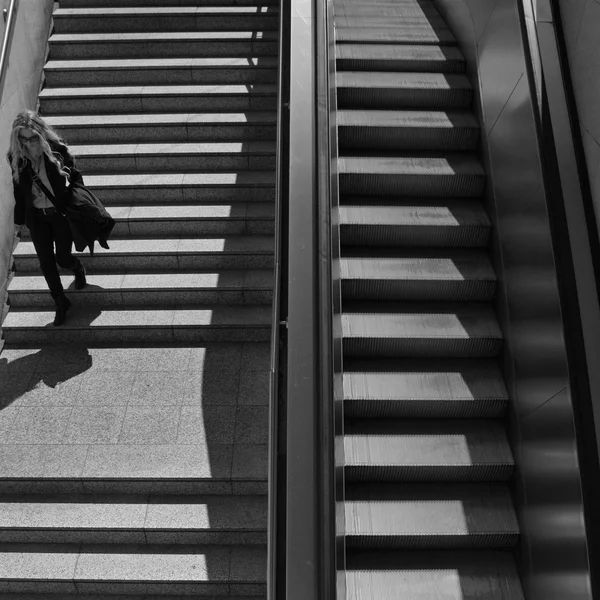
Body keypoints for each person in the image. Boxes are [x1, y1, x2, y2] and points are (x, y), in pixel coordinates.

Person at [8, 110, 86, 326]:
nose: (28, 143)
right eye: (22, 138)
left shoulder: (57, 152)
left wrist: (76, 203)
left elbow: (77, 180)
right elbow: (19, 191)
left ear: (41, 133)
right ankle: (60, 301)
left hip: (59, 215)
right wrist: (19, 219)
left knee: (62, 258)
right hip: (37, 218)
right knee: (46, 263)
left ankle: (76, 266)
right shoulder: (15, 157)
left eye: (32, 137)